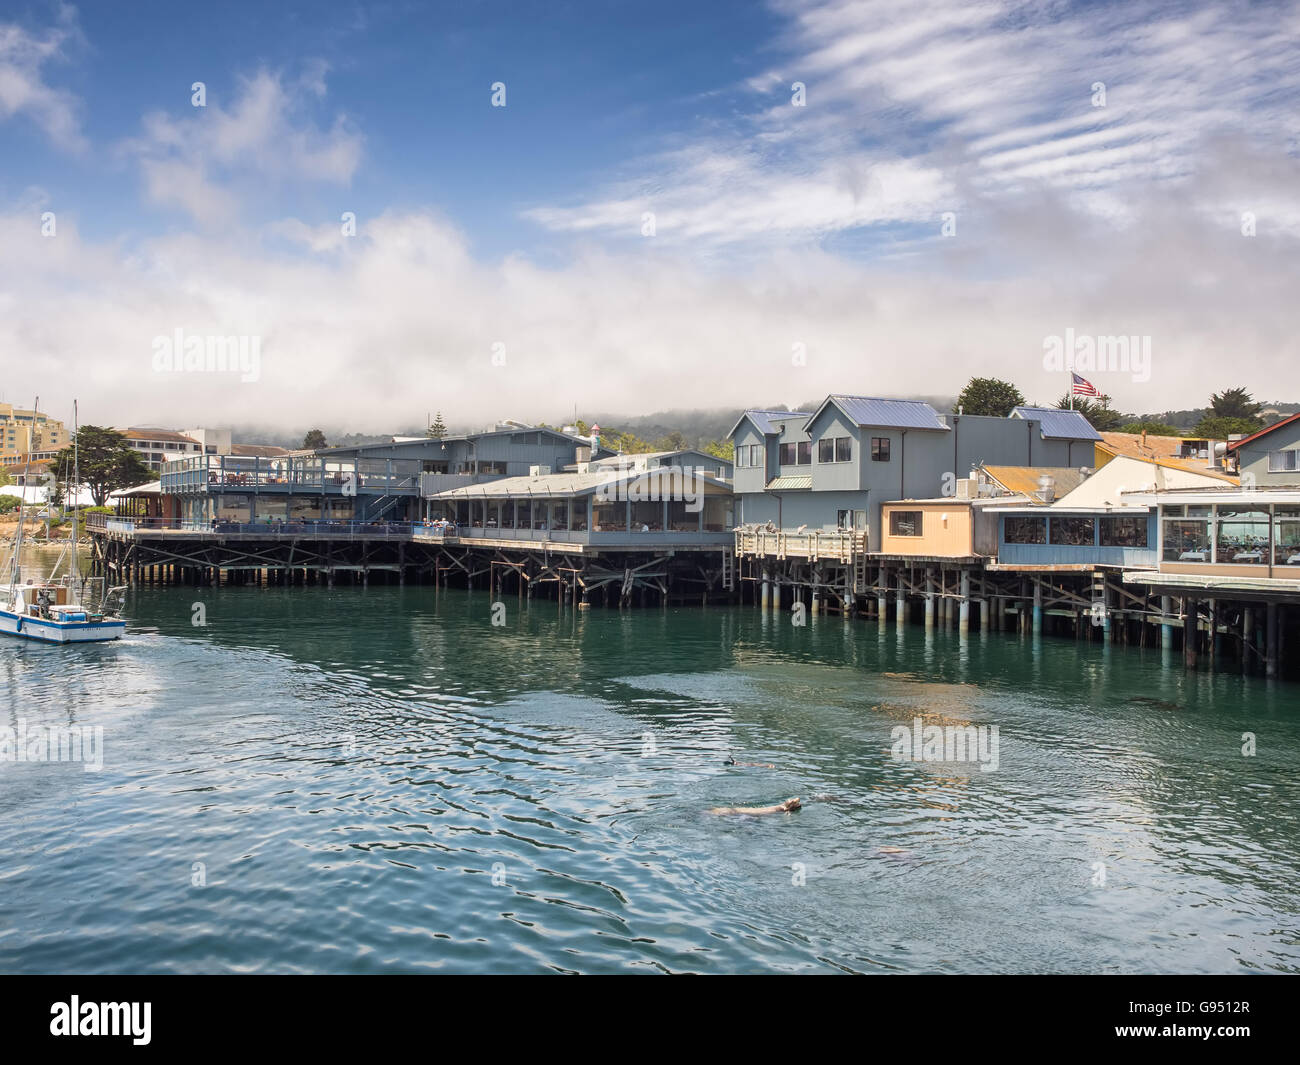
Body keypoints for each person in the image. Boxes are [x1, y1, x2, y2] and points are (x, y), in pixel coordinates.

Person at [709, 797, 801, 816]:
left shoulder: (783, 807)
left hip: (747, 811)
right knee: (730, 812)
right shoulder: (783, 809)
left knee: (731, 811)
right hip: (749, 813)